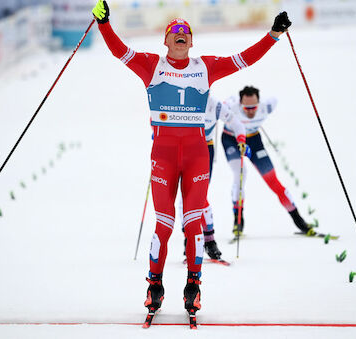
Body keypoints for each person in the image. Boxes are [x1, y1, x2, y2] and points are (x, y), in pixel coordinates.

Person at [91, 0, 291, 321]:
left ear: (191, 41)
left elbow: (243, 60)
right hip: (164, 156)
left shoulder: (205, 67)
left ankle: (193, 285)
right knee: (165, 224)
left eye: (186, 32)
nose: (181, 34)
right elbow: (119, 51)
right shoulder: (151, 66)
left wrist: (273, 35)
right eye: (175, 31)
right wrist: (104, 23)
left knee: (193, 221)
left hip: (197, 155)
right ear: (166, 40)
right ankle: (154, 285)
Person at [222, 86, 313, 237]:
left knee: (272, 180)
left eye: (254, 107)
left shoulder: (267, 106)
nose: (251, 111)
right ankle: (238, 221)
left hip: (253, 140)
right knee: (240, 173)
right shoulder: (231, 107)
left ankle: (299, 220)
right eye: (247, 107)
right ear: (240, 104)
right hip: (231, 140)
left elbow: (277, 97)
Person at [182, 97, 246, 261]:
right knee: (186, 196)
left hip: (205, 150)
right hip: (184, 149)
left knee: (199, 196)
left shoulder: (215, 105)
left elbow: (237, 124)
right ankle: (189, 239)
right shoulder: (184, 97)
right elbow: (159, 116)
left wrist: (241, 140)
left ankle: (209, 240)